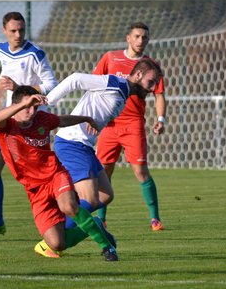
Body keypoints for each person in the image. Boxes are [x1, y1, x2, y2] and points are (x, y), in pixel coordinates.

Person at [0, 85, 118, 261]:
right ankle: (96, 224)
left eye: (34, 107)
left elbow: (62, 120)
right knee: (57, 243)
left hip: (55, 175)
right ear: (16, 106)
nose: (31, 111)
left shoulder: (42, 119)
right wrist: (25, 103)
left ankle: (107, 248)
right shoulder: (7, 126)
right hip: (34, 189)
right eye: (27, 107)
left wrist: (86, 118)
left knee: (69, 207)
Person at [46, 59, 162, 230]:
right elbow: (75, 78)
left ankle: (65, 223)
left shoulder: (123, 95)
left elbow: (97, 109)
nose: (152, 89)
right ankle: (56, 233)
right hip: (72, 143)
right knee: (91, 199)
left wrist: (94, 122)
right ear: (138, 75)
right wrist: (48, 101)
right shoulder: (114, 83)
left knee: (105, 195)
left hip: (85, 146)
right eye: (150, 82)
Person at [0, 12, 58, 240]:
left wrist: (20, 86)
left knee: (41, 176)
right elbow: (5, 77)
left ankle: (59, 221)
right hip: (11, 120)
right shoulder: (1, 49)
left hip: (31, 121)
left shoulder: (35, 54)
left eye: (21, 30)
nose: (18, 34)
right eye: (13, 30)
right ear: (4, 30)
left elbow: (51, 85)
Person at [92, 22, 166, 231]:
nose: (141, 41)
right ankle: (101, 218)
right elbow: (95, 85)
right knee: (103, 172)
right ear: (128, 38)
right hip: (109, 123)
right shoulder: (110, 58)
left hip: (133, 124)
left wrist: (161, 120)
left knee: (141, 171)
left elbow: (159, 95)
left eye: (144, 37)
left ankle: (155, 218)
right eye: (137, 36)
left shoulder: (151, 66)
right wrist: (93, 117)